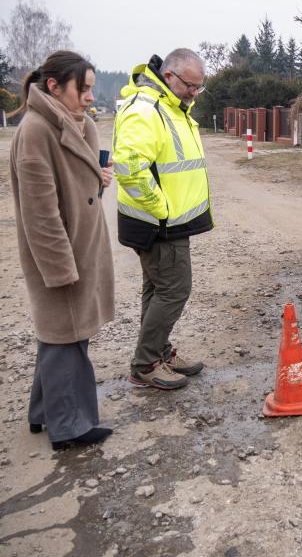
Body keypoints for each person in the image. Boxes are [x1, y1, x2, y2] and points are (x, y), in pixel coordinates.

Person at [9, 51, 115, 450]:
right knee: (66, 339)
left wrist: (98, 178)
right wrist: (59, 270)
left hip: (82, 248)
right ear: (53, 86)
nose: (89, 96)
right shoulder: (36, 130)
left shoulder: (77, 124)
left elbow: (79, 188)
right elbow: (39, 214)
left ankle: (42, 412)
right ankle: (69, 426)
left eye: (91, 88)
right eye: (82, 88)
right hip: (62, 256)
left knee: (62, 336)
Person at [113, 49, 213, 390]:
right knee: (174, 289)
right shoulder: (147, 109)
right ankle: (145, 364)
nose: (194, 93)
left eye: (199, 87)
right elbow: (129, 168)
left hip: (165, 222)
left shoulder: (168, 106)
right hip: (160, 224)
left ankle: (159, 352)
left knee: (157, 290)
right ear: (169, 76)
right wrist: (162, 210)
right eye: (190, 85)